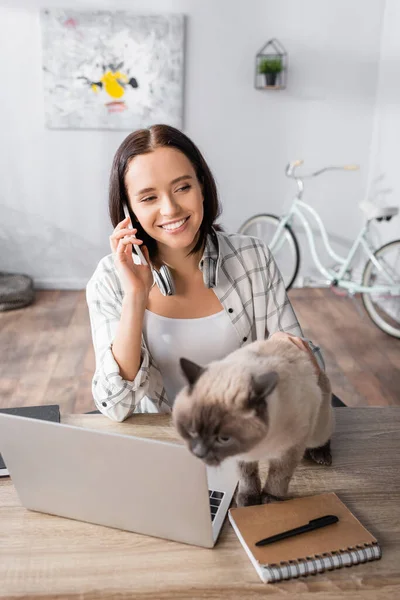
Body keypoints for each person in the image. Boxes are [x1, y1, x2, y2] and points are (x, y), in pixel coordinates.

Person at [86, 124, 324, 422]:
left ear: (202, 186)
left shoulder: (253, 257)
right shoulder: (109, 279)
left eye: (182, 187)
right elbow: (117, 405)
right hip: (161, 447)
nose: (170, 209)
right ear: (128, 210)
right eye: (149, 198)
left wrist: (291, 358)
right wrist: (135, 295)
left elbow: (305, 377)